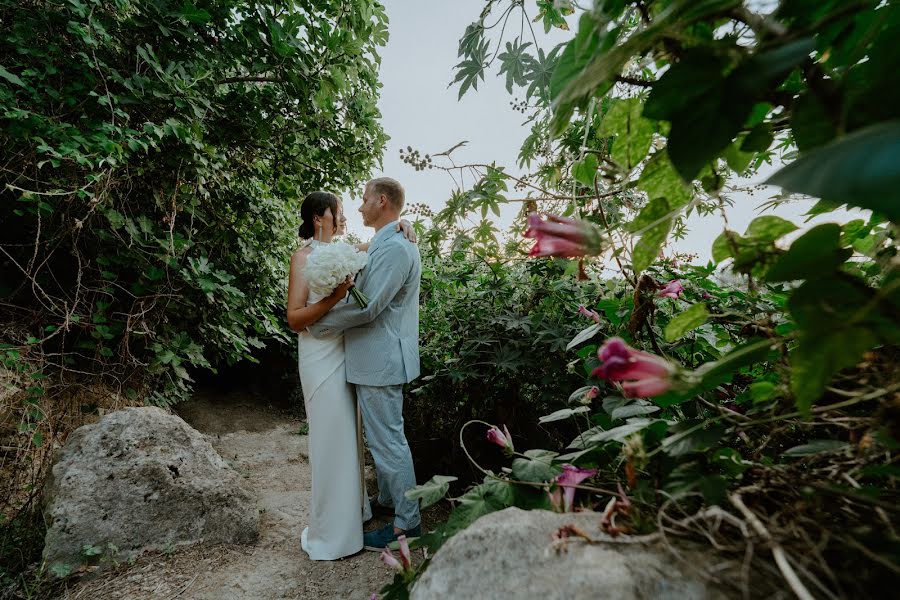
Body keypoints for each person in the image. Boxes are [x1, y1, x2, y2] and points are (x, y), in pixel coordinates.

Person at [285, 190, 415, 560]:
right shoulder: (303, 257)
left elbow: (385, 239)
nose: (345, 216)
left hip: (348, 355)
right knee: (330, 439)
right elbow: (295, 319)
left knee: (349, 439)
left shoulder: (349, 251)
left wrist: (405, 222)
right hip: (318, 353)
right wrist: (335, 295)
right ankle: (332, 529)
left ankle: (356, 512)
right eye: (338, 211)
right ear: (318, 217)